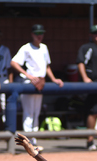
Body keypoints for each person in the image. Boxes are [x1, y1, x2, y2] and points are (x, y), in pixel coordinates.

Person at [11, 24, 64, 152]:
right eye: (37, 33)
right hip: (29, 83)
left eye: (41, 33)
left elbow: (47, 67)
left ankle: (33, 141)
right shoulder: (26, 48)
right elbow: (14, 62)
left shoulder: (44, 47)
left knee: (36, 113)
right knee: (28, 113)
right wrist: (28, 75)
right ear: (32, 34)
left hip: (41, 82)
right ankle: (27, 143)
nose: (39, 36)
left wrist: (53, 79)